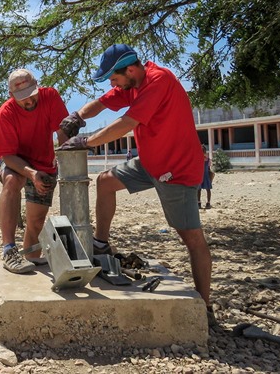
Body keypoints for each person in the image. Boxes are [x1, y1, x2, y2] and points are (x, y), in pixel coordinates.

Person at [59, 44, 213, 320]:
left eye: (115, 78)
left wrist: (87, 141)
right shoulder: (133, 83)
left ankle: (204, 306)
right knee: (106, 182)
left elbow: (127, 122)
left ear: (130, 70)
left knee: (191, 238)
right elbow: (104, 102)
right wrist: (77, 117)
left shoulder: (158, 81)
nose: (113, 83)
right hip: (151, 161)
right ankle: (101, 243)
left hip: (176, 169)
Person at [0, 68, 72, 274]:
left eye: (31, 95)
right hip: (17, 162)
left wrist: (69, 164)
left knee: (36, 221)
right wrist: (30, 173)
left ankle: (29, 260)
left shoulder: (50, 96)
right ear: (12, 96)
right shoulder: (5, 114)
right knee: (12, 182)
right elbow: (7, 155)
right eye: (22, 99)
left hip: (45, 164)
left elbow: (63, 131)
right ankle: (9, 250)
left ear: (37, 86)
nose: (28, 101)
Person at [198, 145, 213, 209]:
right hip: (200, 176)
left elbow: (209, 168)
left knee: (208, 189)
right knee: (198, 189)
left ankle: (208, 203)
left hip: (206, 176)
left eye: (203, 150)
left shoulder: (208, 160)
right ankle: (198, 202)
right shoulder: (197, 159)